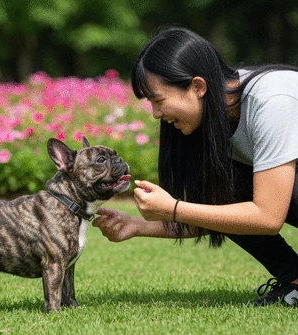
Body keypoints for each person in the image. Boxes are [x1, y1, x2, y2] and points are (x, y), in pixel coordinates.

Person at [92, 25, 298, 306]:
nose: (155, 114)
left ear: (198, 86)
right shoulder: (211, 120)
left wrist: (174, 208)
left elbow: (267, 217)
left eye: (158, 100)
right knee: (222, 187)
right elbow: (216, 212)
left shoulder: (271, 102)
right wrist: (136, 226)